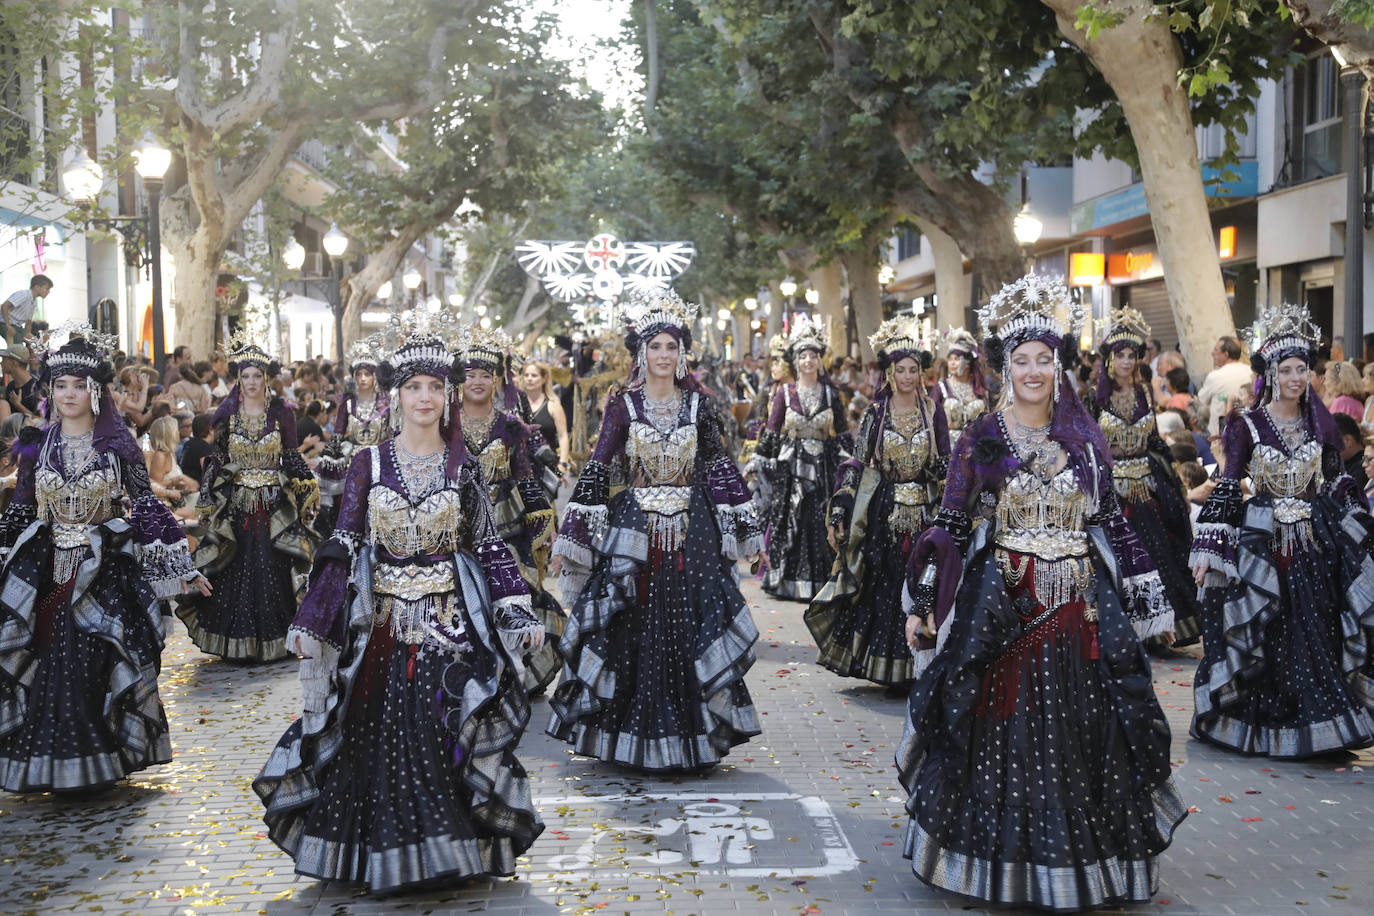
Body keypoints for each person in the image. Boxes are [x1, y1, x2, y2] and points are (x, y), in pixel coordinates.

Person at [899, 274, 1185, 911]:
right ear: (1005, 368)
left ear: (1059, 366)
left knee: (1087, 730)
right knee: (999, 727)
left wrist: (1149, 605)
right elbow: (948, 524)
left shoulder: (1085, 441)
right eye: (1022, 360)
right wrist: (923, 604)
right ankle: (1000, 865)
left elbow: (1111, 521)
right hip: (1002, 607)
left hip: (1080, 611)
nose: (1033, 371)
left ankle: (1078, 864)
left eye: (1044, 360)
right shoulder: (980, 439)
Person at [253, 327, 545, 893]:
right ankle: (382, 854)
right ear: (397, 395)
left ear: (447, 395)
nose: (425, 397)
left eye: (436, 386)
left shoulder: (463, 465)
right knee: (372, 735)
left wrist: (515, 607)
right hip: (381, 624)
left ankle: (443, 853)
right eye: (414, 386)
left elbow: (487, 544)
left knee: (440, 732)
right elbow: (343, 544)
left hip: (448, 626)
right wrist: (312, 620)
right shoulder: (367, 463)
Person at [548, 290, 762, 771]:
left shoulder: (698, 406)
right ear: (641, 353)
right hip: (635, 533)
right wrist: (572, 536)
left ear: (682, 354)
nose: (663, 355)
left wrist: (746, 529)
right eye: (655, 346)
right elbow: (600, 467)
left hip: (693, 530)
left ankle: (692, 735)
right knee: (632, 626)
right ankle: (629, 735)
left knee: (693, 623)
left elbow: (718, 466)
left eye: (671, 347)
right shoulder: (623, 405)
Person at [0, 323, 209, 792]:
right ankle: (54, 762)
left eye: (78, 385)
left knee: (94, 661)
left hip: (104, 573)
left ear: (96, 391)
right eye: (60, 385)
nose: (68, 393)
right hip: (48, 572)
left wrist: (182, 567)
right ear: (49, 390)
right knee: (47, 659)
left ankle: (96, 763)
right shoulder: (38, 445)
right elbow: (19, 511)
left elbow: (148, 506)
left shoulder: (118, 447)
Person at [1190, 301, 1374, 758]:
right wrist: (1211, 547)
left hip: (1315, 541)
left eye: (1302, 370)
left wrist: (1362, 526)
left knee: (1317, 631)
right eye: (1287, 370)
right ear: (1269, 373)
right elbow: (1230, 484)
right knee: (1269, 631)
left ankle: (1320, 725)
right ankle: (1273, 724)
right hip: (1265, 542)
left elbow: (1335, 481)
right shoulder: (1247, 426)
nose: (1296, 378)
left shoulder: (1320, 421)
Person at [805, 318, 948, 691]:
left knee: (922, 584)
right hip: (884, 514)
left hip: (925, 513)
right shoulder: (875, 413)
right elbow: (858, 462)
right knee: (886, 586)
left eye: (913, 370)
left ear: (921, 372)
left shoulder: (934, 412)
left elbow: (945, 461)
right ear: (889, 372)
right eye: (900, 369)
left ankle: (921, 662)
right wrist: (840, 509)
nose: (907, 376)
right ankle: (890, 667)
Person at [176, 335, 319, 662]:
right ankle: (237, 642)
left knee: (273, 567)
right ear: (237, 378)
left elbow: (290, 454)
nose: (252, 382)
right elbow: (217, 456)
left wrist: (307, 484)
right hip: (237, 503)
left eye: (257, 376)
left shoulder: (281, 412)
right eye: (246, 376)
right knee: (235, 567)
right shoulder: (227, 414)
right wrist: (207, 496)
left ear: (266, 378)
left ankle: (277, 639)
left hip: (273, 505)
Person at [1085, 308, 1203, 648]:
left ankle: (1158, 631)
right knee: (1117, 560)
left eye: (1131, 355)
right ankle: (1122, 632)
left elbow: (1152, 440)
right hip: (1110, 492)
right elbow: (1086, 443)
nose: (1126, 361)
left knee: (1156, 556)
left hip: (1146, 486)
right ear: (1109, 359)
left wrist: (1172, 476)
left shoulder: (1145, 394)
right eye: (1120, 355)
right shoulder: (1095, 397)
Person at [456, 328, 565, 696]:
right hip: (458, 526)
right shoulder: (443, 424)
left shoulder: (509, 425)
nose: (477, 382)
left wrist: (545, 520)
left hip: (507, 524)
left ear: (497, 379)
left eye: (485, 375)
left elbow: (524, 475)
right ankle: (472, 675)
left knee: (515, 593)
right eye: (469, 375)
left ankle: (515, 674)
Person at [752, 316, 852, 601]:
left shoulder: (831, 394)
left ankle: (823, 580)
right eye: (803, 356)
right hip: (792, 466)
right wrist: (757, 460)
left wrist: (858, 462)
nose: (808, 361)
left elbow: (843, 433)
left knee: (821, 518)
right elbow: (772, 430)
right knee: (791, 517)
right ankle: (788, 580)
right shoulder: (785, 392)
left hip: (824, 467)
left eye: (813, 356)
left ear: (820, 360)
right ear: (795, 361)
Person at [315, 339, 389, 514]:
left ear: (375, 377)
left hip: (381, 462)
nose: (363, 378)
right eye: (359, 374)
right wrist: (328, 458)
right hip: (354, 463)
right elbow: (338, 434)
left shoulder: (386, 402)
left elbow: (394, 433)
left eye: (367, 374)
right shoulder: (349, 402)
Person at [518, 359, 572, 496]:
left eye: (534, 375)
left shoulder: (553, 404)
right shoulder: (516, 405)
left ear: (544, 378)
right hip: (521, 467)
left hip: (547, 466)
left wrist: (563, 464)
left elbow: (563, 435)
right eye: (527, 375)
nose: (529, 379)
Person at [931, 328, 989, 450]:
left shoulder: (979, 388)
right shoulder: (942, 388)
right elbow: (931, 419)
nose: (952, 363)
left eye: (956, 359)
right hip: (948, 449)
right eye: (950, 359)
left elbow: (989, 420)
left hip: (976, 450)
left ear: (968, 362)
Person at [1196, 336, 1254, 435]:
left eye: (1216, 350)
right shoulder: (1251, 371)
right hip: (1249, 429)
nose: (1212, 354)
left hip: (1221, 434)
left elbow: (1201, 401)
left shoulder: (1215, 376)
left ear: (1226, 354)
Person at [2, 274, 51, 344]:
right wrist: (8, 325)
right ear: (37, 287)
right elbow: (4, 306)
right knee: (18, 349)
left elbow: (28, 323)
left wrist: (31, 341)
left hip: (17, 326)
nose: (48, 292)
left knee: (36, 344)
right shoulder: (24, 295)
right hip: (4, 323)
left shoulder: (34, 302)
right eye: (47, 288)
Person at [180, 413, 215, 485]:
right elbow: (208, 472)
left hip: (186, 485)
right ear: (210, 429)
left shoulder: (189, 443)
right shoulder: (204, 447)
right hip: (197, 489)